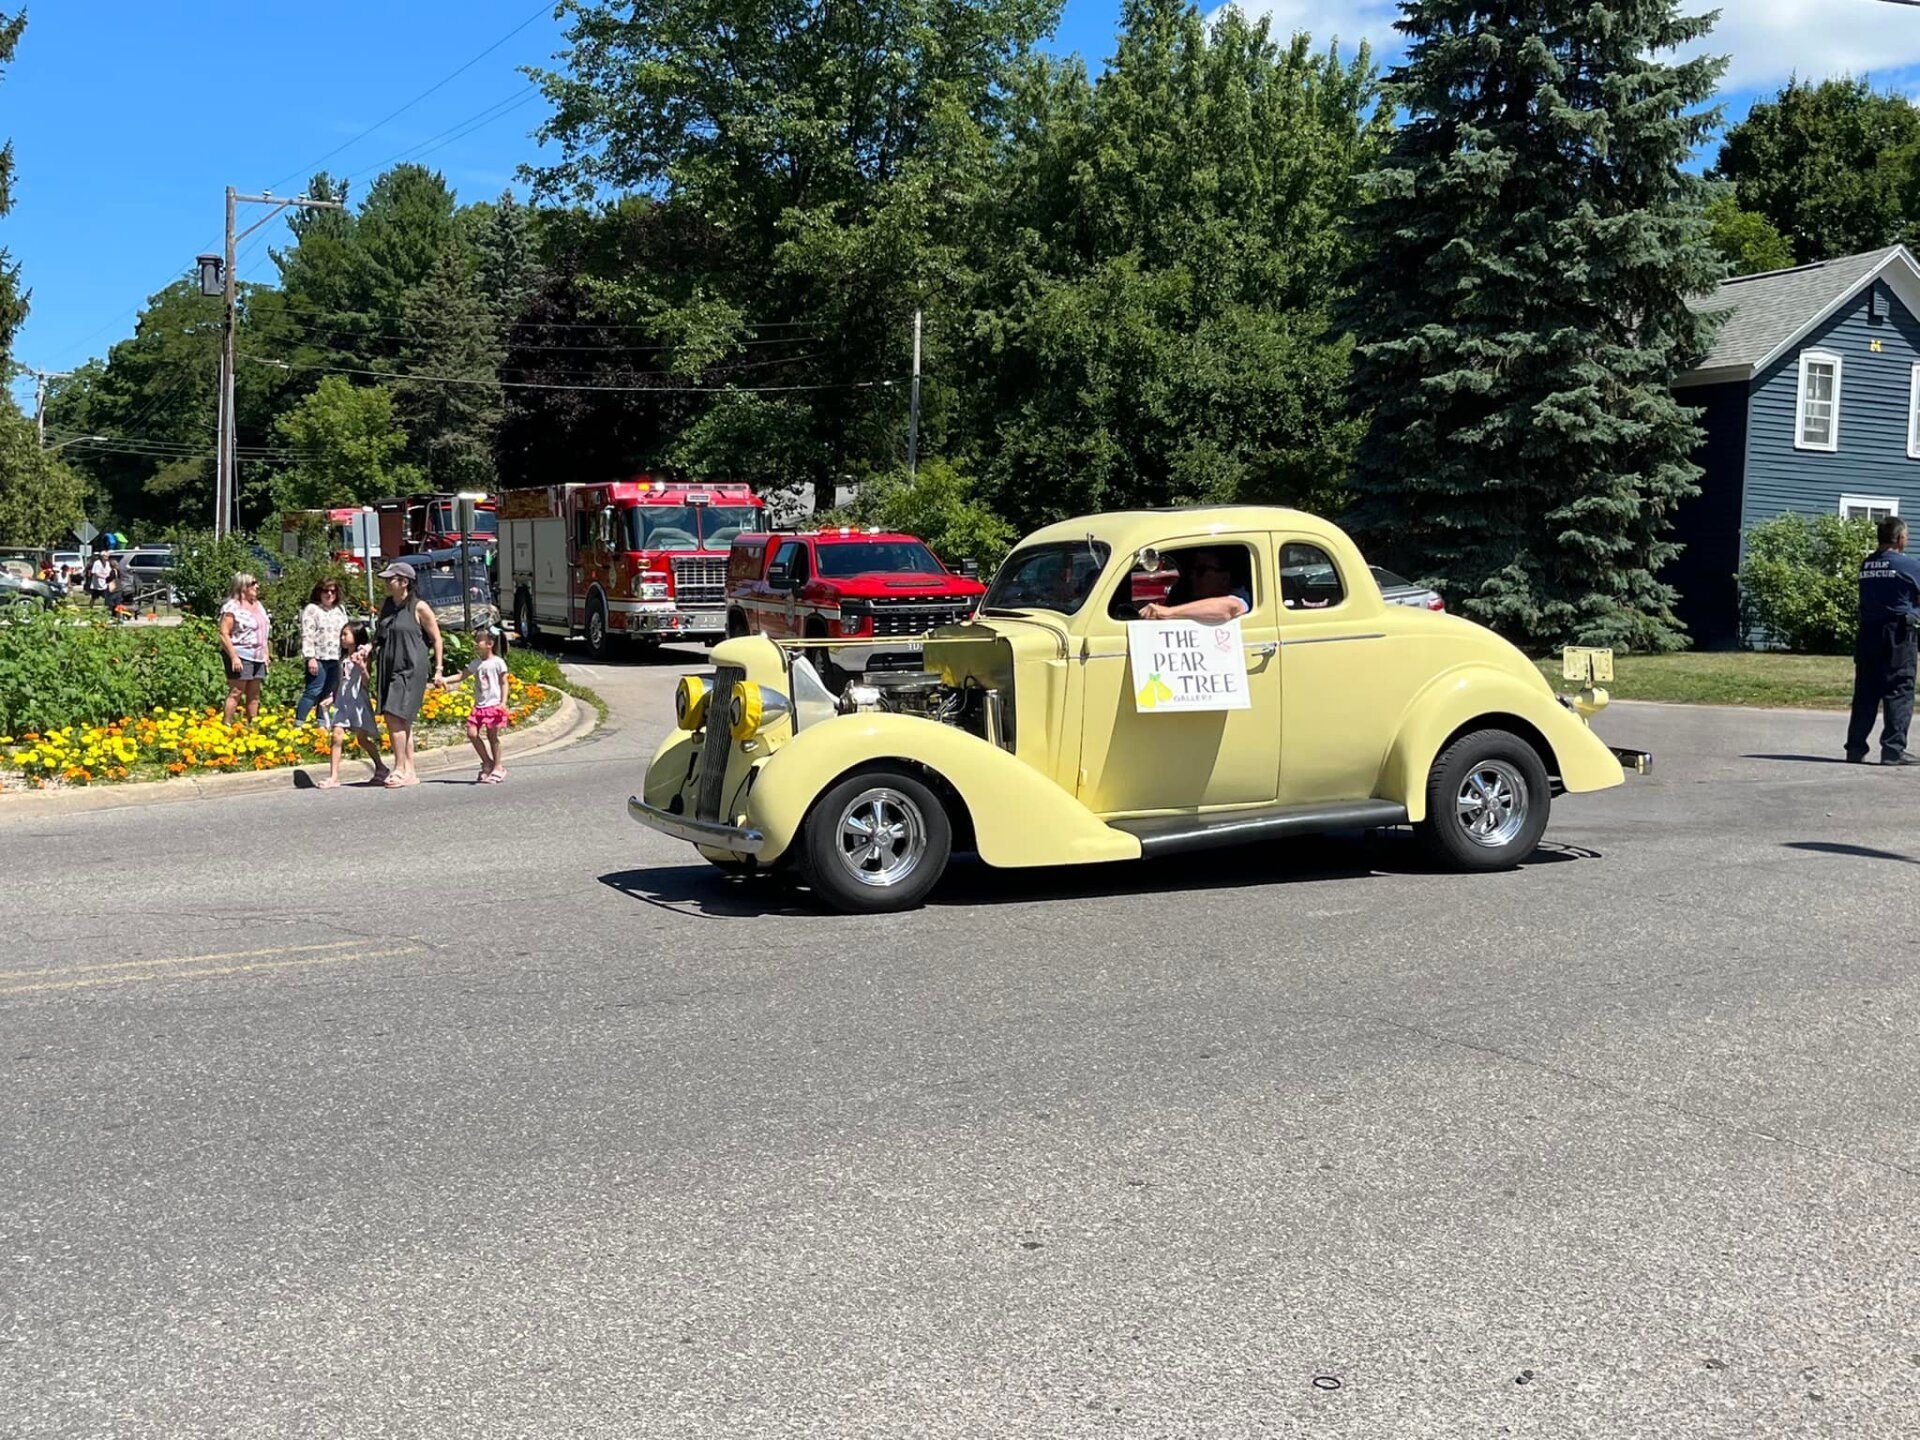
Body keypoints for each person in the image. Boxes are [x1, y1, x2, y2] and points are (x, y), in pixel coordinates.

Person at [1846, 515, 1920, 765]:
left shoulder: (1866, 565)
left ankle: (1855, 748)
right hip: (1897, 634)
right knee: (1899, 689)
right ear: (1899, 538)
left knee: (1866, 691)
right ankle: (1892, 750)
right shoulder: (1908, 566)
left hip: (1868, 633)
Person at [374, 561, 444, 788]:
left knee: (395, 715)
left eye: (390, 579)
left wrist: (439, 668)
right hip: (389, 666)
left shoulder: (419, 607)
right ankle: (410, 771)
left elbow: (436, 638)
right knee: (400, 720)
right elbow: (380, 636)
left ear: (404, 582)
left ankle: (399, 768)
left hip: (410, 668)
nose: (386, 582)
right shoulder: (387, 605)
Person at [438, 624, 512, 783]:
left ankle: (498, 766)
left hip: (493, 705)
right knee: (472, 733)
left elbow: (504, 683)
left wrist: (503, 702)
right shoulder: (475, 663)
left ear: (489, 644)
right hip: (479, 706)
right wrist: (445, 679)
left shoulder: (498, 663)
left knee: (493, 737)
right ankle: (487, 762)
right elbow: (461, 676)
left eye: (478, 641)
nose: (475, 644)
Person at [318, 623, 386, 789]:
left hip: (357, 701)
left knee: (362, 739)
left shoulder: (363, 656)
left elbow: (367, 681)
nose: (342, 638)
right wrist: (333, 697)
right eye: (342, 634)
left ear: (356, 636)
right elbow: (341, 681)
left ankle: (381, 767)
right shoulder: (343, 659)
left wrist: (362, 667)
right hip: (343, 702)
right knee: (336, 736)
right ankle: (333, 776)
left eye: (346, 634)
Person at [1138, 548, 1252, 624]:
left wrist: (1168, 612)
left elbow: (1230, 607)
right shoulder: (1184, 596)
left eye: (1202, 570)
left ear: (1224, 577)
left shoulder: (1241, 595)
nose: (1193, 576)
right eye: (1192, 570)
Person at [218, 573, 271, 723]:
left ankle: (252, 725)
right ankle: (226, 723)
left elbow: (263, 631)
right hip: (241, 654)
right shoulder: (232, 607)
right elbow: (224, 633)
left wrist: (266, 653)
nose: (257, 586)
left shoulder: (258, 605)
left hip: (258, 655)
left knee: (254, 694)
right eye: (254, 583)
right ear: (243, 586)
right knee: (236, 692)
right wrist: (234, 656)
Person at [295, 579, 348, 726]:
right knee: (313, 691)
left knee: (328, 691)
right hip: (319, 657)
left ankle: (322, 722)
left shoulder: (340, 610)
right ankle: (299, 723)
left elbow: (346, 632)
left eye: (333, 591)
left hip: (336, 657)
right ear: (319, 592)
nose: (329, 594)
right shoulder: (312, 609)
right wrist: (310, 657)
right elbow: (307, 634)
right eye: (326, 591)